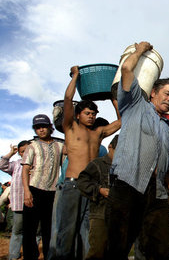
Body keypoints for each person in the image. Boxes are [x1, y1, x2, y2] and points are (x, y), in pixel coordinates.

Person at [105, 41, 169, 260]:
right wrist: (140, 51)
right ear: (153, 93)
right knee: (117, 248)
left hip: (156, 193)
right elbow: (127, 70)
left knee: (160, 247)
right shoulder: (135, 104)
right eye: (167, 94)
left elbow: (166, 168)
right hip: (128, 185)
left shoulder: (168, 129)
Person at [49, 66, 121, 260]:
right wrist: (75, 76)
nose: (91, 116)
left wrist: (112, 97)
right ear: (78, 114)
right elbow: (67, 100)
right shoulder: (70, 128)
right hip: (73, 185)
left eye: (94, 114)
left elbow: (121, 121)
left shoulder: (98, 133)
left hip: (92, 187)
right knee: (66, 232)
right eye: (88, 113)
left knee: (88, 231)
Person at [22, 114, 64, 260]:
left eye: (43, 126)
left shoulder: (60, 146)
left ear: (50, 127)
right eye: (37, 127)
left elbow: (64, 167)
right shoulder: (32, 146)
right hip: (34, 189)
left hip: (52, 192)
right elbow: (25, 169)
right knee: (29, 229)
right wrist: (26, 191)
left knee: (49, 229)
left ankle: (49, 256)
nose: (41, 130)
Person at [76, 135, 118, 260]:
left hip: (119, 216)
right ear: (110, 147)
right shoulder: (97, 164)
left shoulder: (126, 168)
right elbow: (82, 182)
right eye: (119, 151)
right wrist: (99, 190)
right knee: (97, 251)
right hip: (100, 214)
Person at [0, 141, 31, 260]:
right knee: (17, 230)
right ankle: (13, 255)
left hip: (35, 203)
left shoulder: (37, 163)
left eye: (28, 150)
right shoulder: (16, 164)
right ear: (19, 153)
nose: (26, 153)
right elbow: (2, 165)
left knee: (35, 231)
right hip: (19, 203)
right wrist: (10, 153)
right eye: (22, 151)